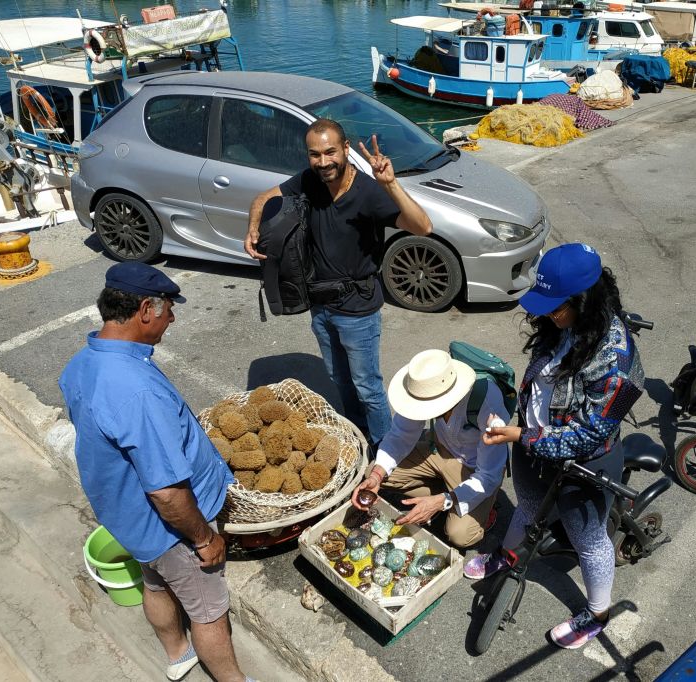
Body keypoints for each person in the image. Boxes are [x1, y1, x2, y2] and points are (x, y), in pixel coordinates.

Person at [59, 262, 255, 682]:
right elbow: (167, 493)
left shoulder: (83, 362)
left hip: (129, 519)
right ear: (146, 309)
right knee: (209, 611)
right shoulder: (137, 391)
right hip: (171, 529)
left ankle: (177, 653)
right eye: (169, 308)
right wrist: (204, 539)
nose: (173, 318)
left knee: (154, 583)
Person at [463, 243, 645, 650]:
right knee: (526, 508)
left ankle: (597, 614)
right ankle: (508, 556)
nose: (546, 315)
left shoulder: (618, 361)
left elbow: (590, 433)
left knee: (589, 540)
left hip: (586, 464)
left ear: (585, 301)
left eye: (555, 307)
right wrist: (522, 426)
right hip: (534, 448)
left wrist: (521, 436)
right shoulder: (559, 325)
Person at [244, 118, 432, 447]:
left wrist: (390, 184)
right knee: (340, 381)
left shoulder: (369, 192)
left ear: (345, 149)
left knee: (368, 388)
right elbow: (261, 199)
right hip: (320, 306)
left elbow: (423, 227)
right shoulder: (309, 180)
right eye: (314, 154)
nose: (323, 162)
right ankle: (359, 437)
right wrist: (253, 229)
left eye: (330, 152)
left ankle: (386, 451)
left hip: (358, 310)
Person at [349, 349, 509, 548]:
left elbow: (488, 475)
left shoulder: (487, 402)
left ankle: (478, 507)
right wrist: (377, 475)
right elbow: (400, 435)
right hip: (438, 448)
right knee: (374, 472)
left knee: (460, 535)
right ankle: (442, 495)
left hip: (476, 468)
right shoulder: (423, 387)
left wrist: (443, 501)